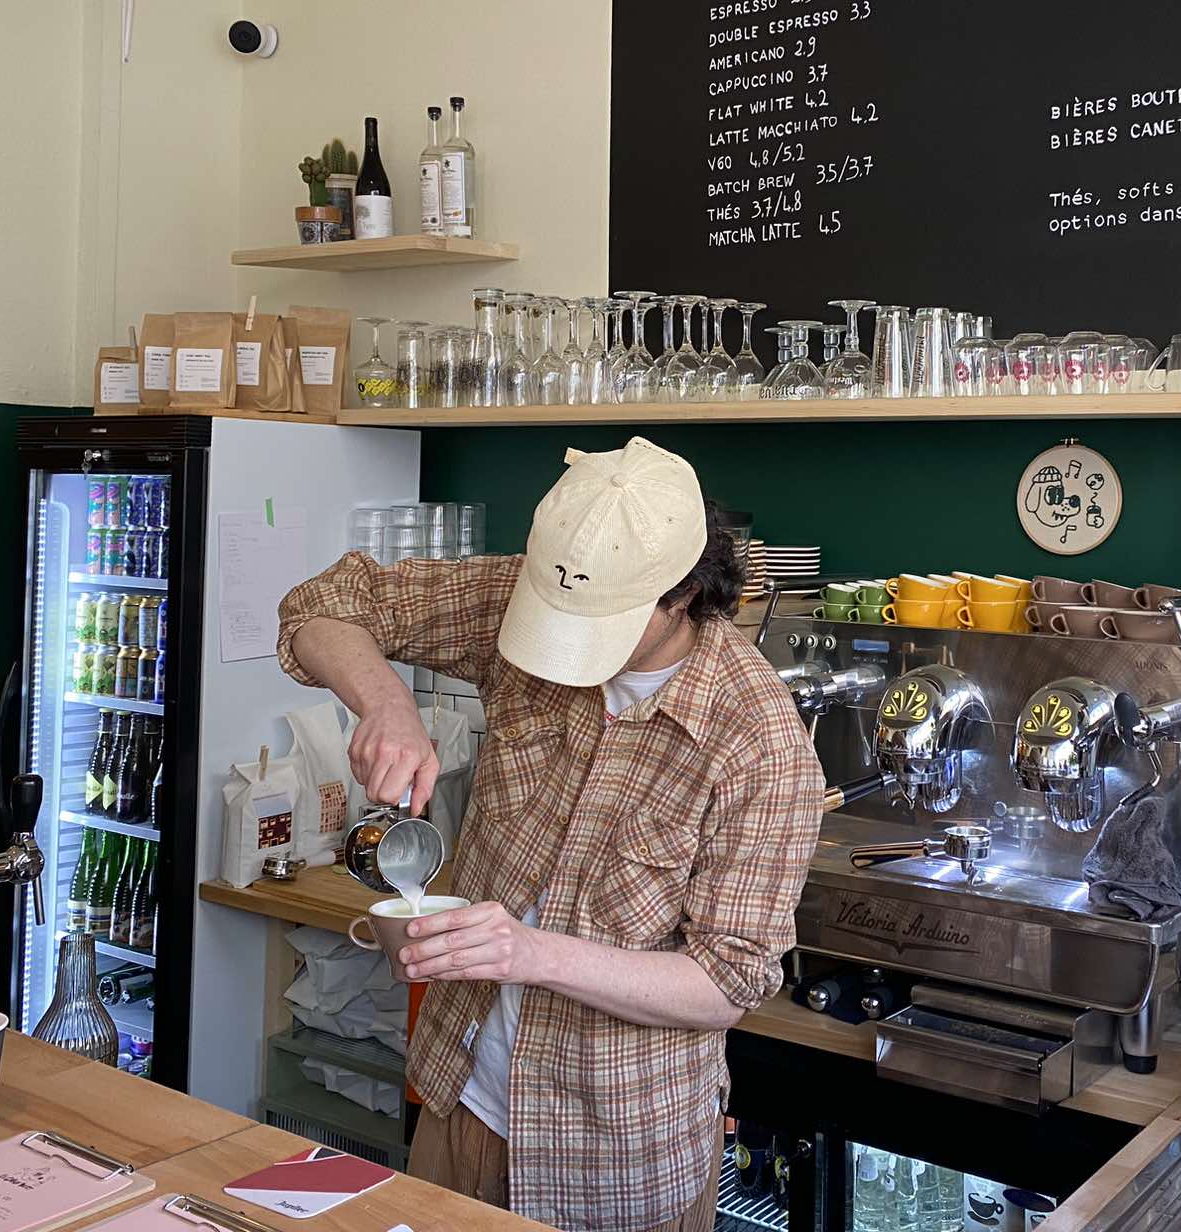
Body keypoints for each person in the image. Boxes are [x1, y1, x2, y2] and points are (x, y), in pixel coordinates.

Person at [276, 438, 823, 1230]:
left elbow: (724, 983)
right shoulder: (521, 593)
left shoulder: (757, 739)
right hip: (461, 1097)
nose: (565, 641)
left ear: (685, 593)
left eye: (595, 623)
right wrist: (385, 703)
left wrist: (531, 955)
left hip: (616, 1154)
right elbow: (322, 604)